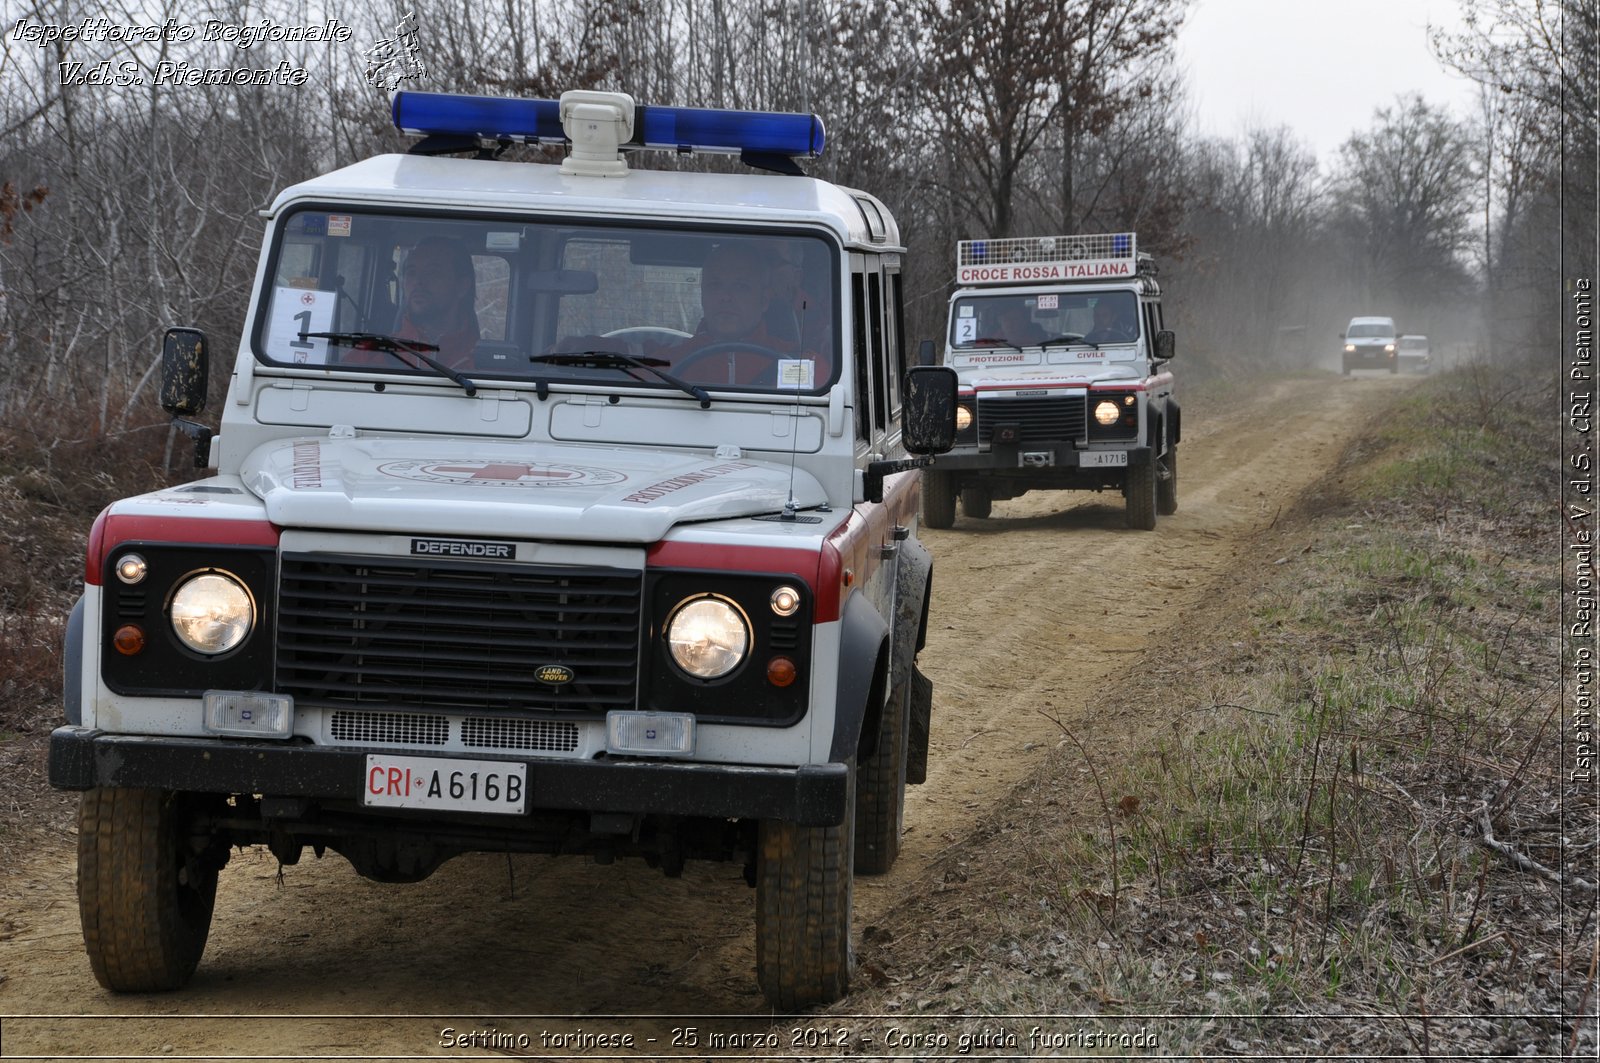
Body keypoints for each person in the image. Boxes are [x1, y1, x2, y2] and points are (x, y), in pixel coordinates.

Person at [666, 243, 827, 387]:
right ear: (702, 296)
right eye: (715, 285)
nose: (726, 297)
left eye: (740, 287)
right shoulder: (670, 359)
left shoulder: (800, 363)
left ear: (764, 301)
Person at [355, 236, 482, 369]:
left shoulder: (487, 362)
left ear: (462, 286)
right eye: (411, 272)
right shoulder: (370, 355)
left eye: (433, 273)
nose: (418, 282)